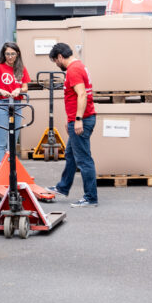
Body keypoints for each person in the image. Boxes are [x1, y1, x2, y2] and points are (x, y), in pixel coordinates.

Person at [45, 43, 98, 207]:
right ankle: (63, 187)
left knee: (83, 160)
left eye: (55, 61)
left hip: (82, 120)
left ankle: (90, 197)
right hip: (80, 118)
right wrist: (72, 119)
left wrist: (78, 119)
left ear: (60, 57)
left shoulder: (73, 70)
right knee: (71, 155)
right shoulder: (79, 65)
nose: (56, 64)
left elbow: (82, 94)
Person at [0, 42, 31, 170]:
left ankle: (11, 173)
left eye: (12, 54)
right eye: (7, 54)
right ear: (4, 55)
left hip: (17, 104)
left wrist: (18, 90)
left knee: (13, 141)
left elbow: (25, 87)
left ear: (17, 54)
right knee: (1, 143)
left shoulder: (21, 68)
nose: (10, 57)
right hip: (2, 104)